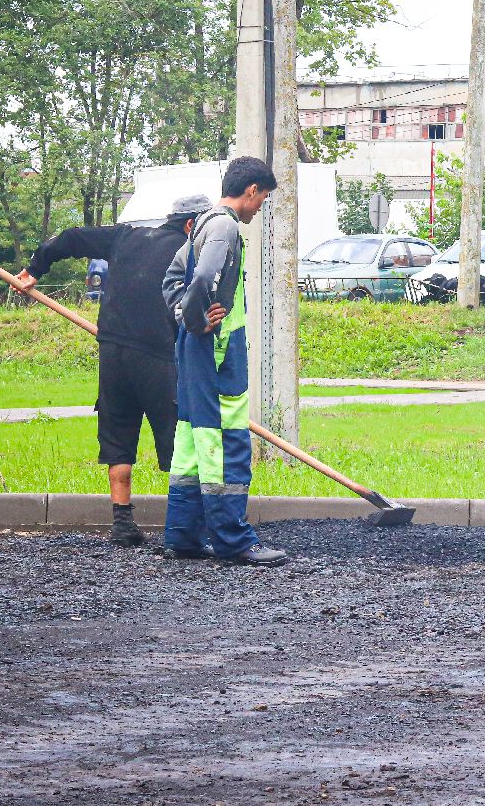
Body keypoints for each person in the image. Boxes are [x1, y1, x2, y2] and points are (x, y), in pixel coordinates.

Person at [15, 193, 213, 547]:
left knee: (119, 434)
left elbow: (71, 237)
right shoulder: (189, 252)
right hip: (158, 358)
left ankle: (122, 523)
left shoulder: (126, 235)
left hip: (113, 352)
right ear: (189, 224)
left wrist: (33, 270)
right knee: (178, 438)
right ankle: (184, 527)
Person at [160, 156, 289, 567]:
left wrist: (185, 316)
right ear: (250, 190)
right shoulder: (225, 226)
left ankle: (183, 535)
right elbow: (199, 281)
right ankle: (234, 540)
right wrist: (197, 320)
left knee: (193, 441)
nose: (260, 208)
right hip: (217, 351)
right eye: (263, 199)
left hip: (198, 349)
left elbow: (172, 280)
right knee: (226, 440)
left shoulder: (203, 223)